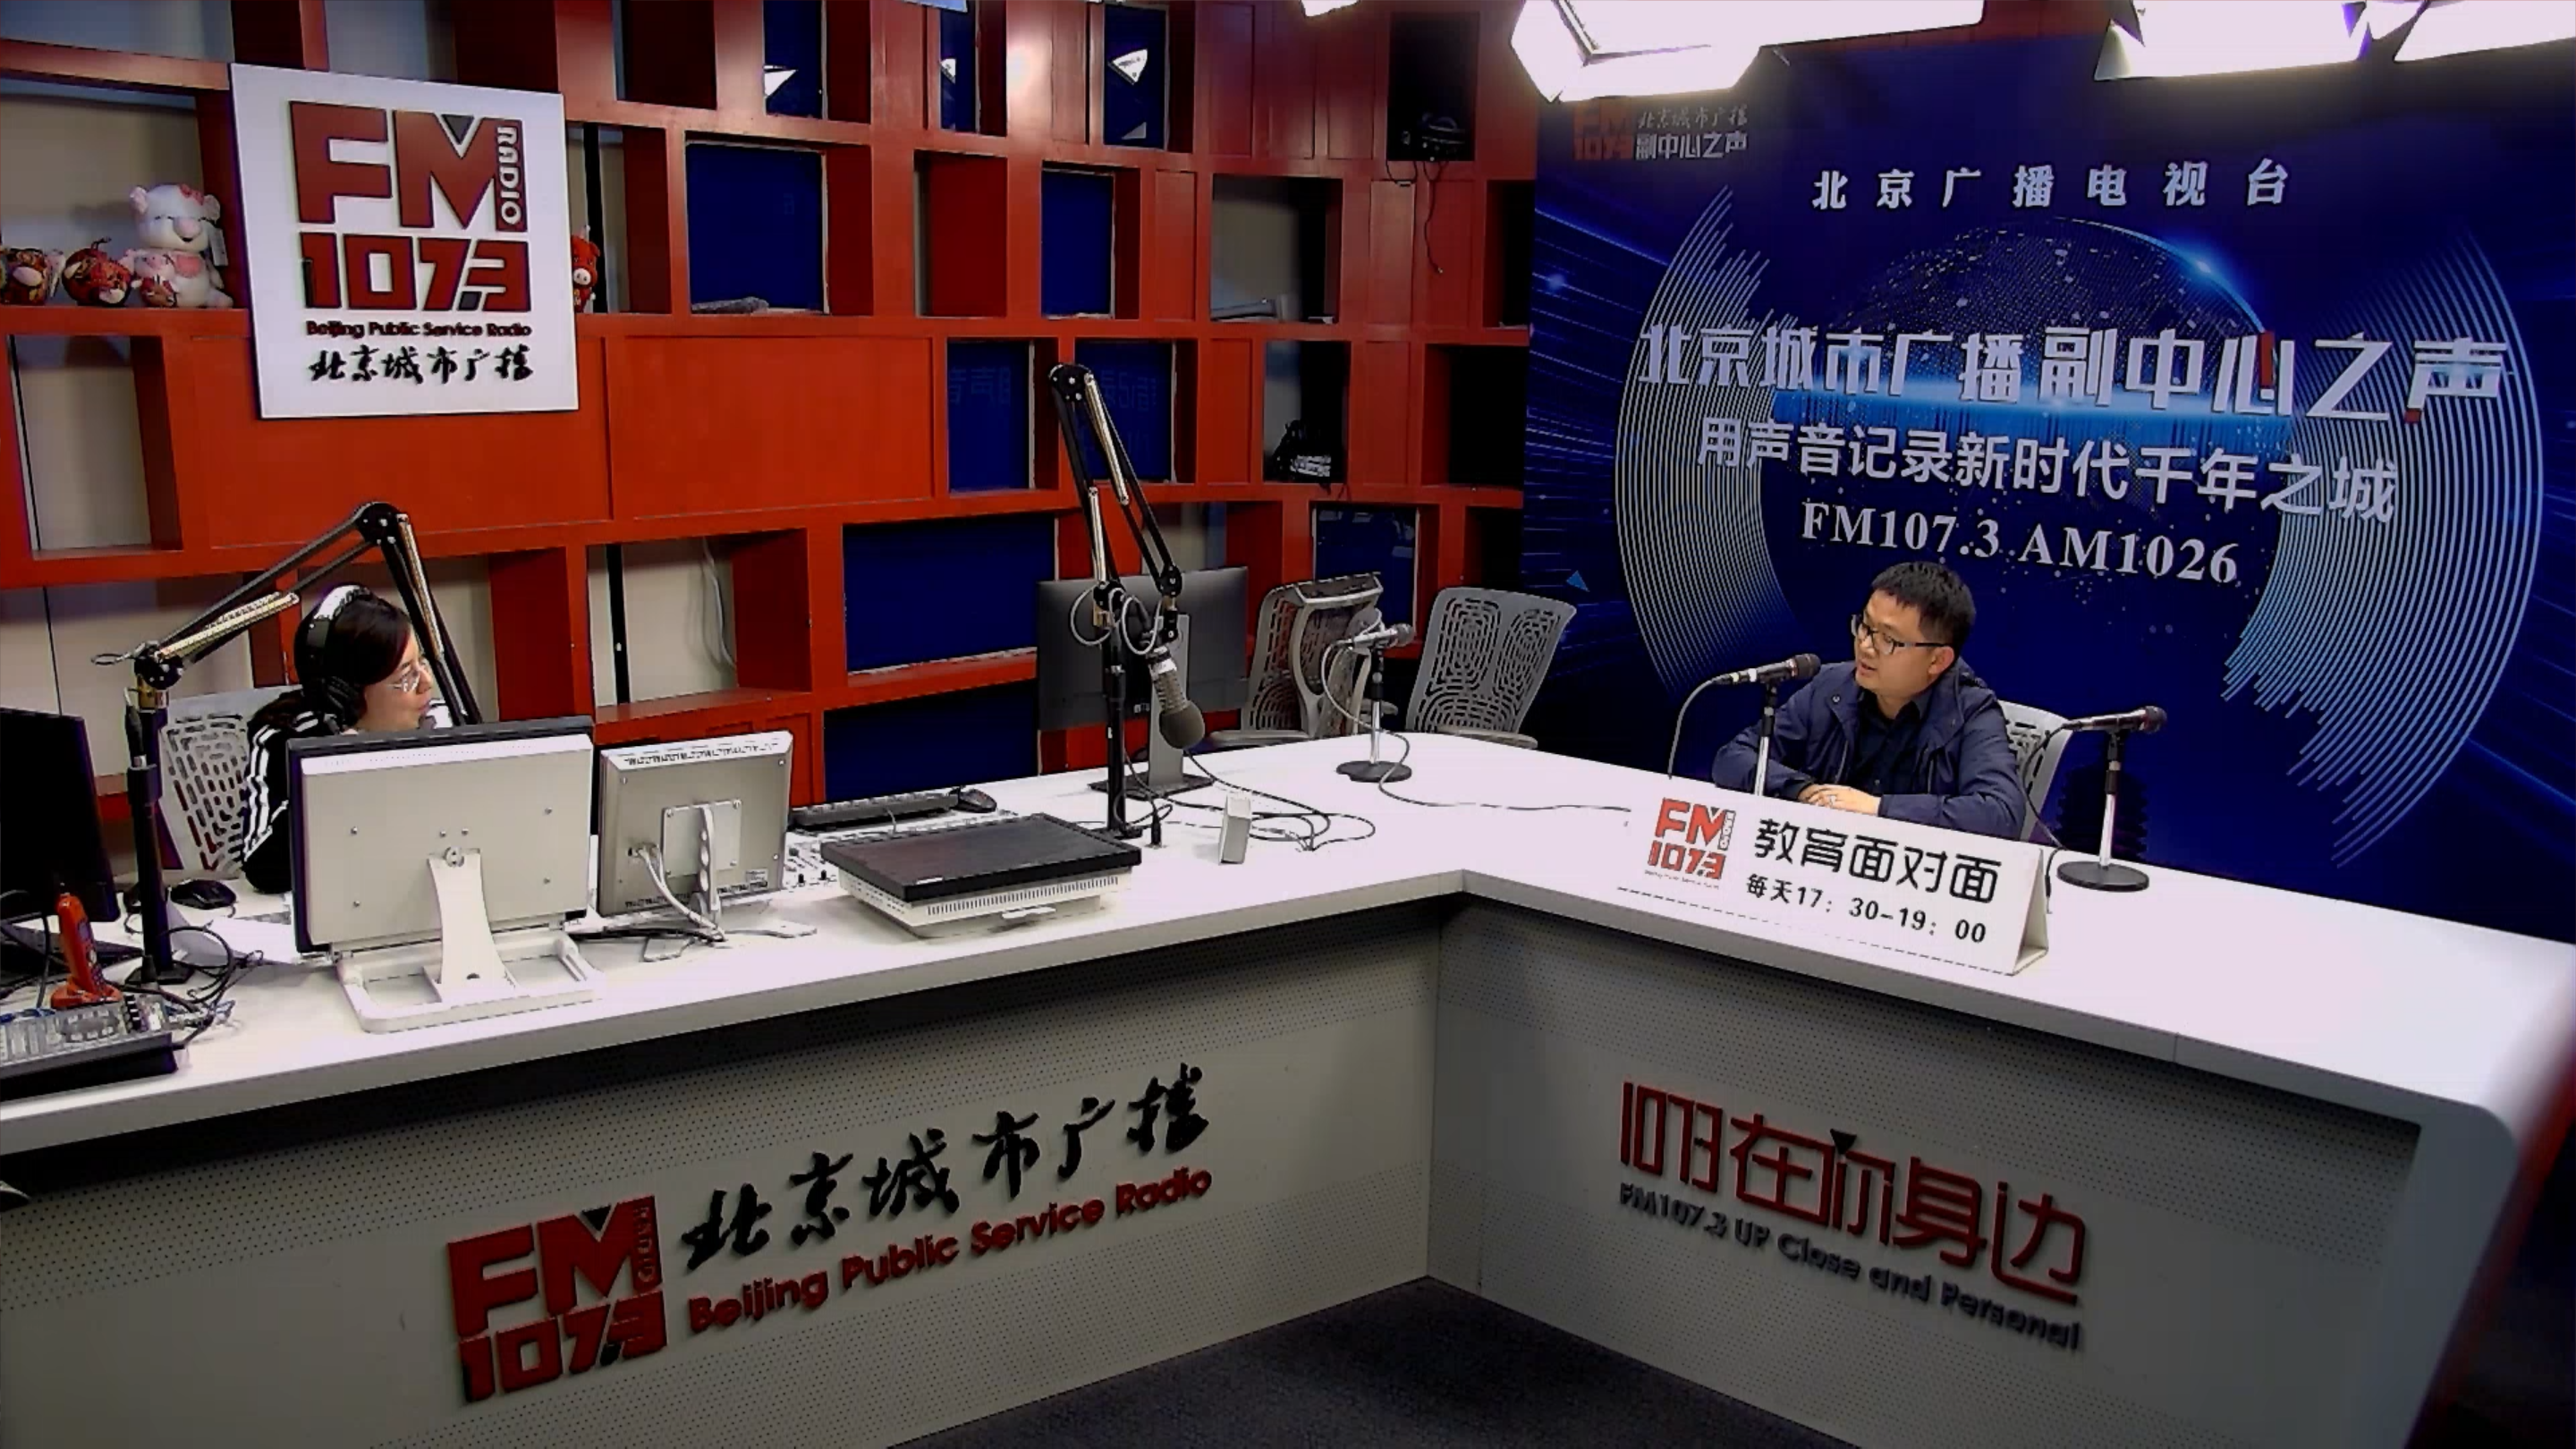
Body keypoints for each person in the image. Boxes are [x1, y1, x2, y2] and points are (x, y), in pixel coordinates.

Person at [1710, 561, 2027, 841]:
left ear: (1937, 660)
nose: (1865, 646)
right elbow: (1734, 757)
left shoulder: (1971, 711)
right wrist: (1804, 792)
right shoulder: (1831, 686)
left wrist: (1878, 809)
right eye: (1865, 626)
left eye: (1888, 639)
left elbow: (2000, 813)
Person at [240, 586, 448, 894]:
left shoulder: (440, 723)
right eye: (406, 676)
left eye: (423, 662)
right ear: (348, 694)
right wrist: (332, 767)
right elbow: (263, 869)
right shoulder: (285, 737)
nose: (427, 684)